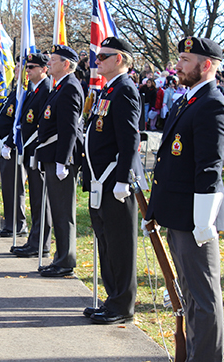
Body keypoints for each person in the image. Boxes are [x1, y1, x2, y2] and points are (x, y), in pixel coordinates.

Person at [145, 36, 224, 361]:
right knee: (190, 296)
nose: (177, 65)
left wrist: (203, 220)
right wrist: (155, 209)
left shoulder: (212, 104)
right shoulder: (187, 101)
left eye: (184, 59)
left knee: (204, 297)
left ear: (205, 65)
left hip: (196, 218)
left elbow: (209, 167)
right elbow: (170, 160)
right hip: (179, 214)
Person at [82, 37, 142, 324]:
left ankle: (122, 305)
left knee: (119, 245)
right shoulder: (109, 90)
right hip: (100, 181)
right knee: (106, 243)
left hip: (114, 182)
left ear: (119, 59)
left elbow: (130, 139)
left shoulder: (125, 90)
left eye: (103, 56)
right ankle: (112, 299)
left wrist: (123, 180)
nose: (97, 61)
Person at [36, 45, 84, 277]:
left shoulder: (70, 88)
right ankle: (60, 257)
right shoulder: (60, 87)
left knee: (63, 212)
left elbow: (69, 129)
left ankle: (65, 261)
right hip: (53, 157)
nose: (49, 64)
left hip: (61, 159)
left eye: (53, 60)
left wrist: (63, 161)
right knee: (57, 210)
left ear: (66, 64)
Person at [8, 53, 53, 257]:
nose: (28, 71)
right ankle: (33, 240)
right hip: (28, 151)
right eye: (27, 67)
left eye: (33, 67)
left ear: (44, 69)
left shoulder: (46, 89)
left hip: (38, 151)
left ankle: (41, 243)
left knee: (40, 200)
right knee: (35, 198)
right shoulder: (31, 90)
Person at [0, 63, 28, 237]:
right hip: (5, 146)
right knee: (7, 187)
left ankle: (18, 224)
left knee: (15, 187)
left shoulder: (24, 93)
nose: (17, 72)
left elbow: (18, 122)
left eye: (21, 69)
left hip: (13, 147)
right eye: (16, 70)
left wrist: (9, 142)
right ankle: (9, 223)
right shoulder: (15, 91)